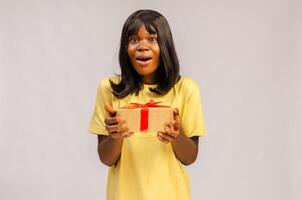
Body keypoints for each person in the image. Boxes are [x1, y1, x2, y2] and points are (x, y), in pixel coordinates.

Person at [88, 9, 207, 200]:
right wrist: (115, 136)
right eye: (134, 39)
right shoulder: (109, 89)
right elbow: (106, 158)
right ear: (125, 48)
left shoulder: (186, 89)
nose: (143, 46)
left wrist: (177, 135)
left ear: (165, 45)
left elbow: (189, 158)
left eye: (152, 39)